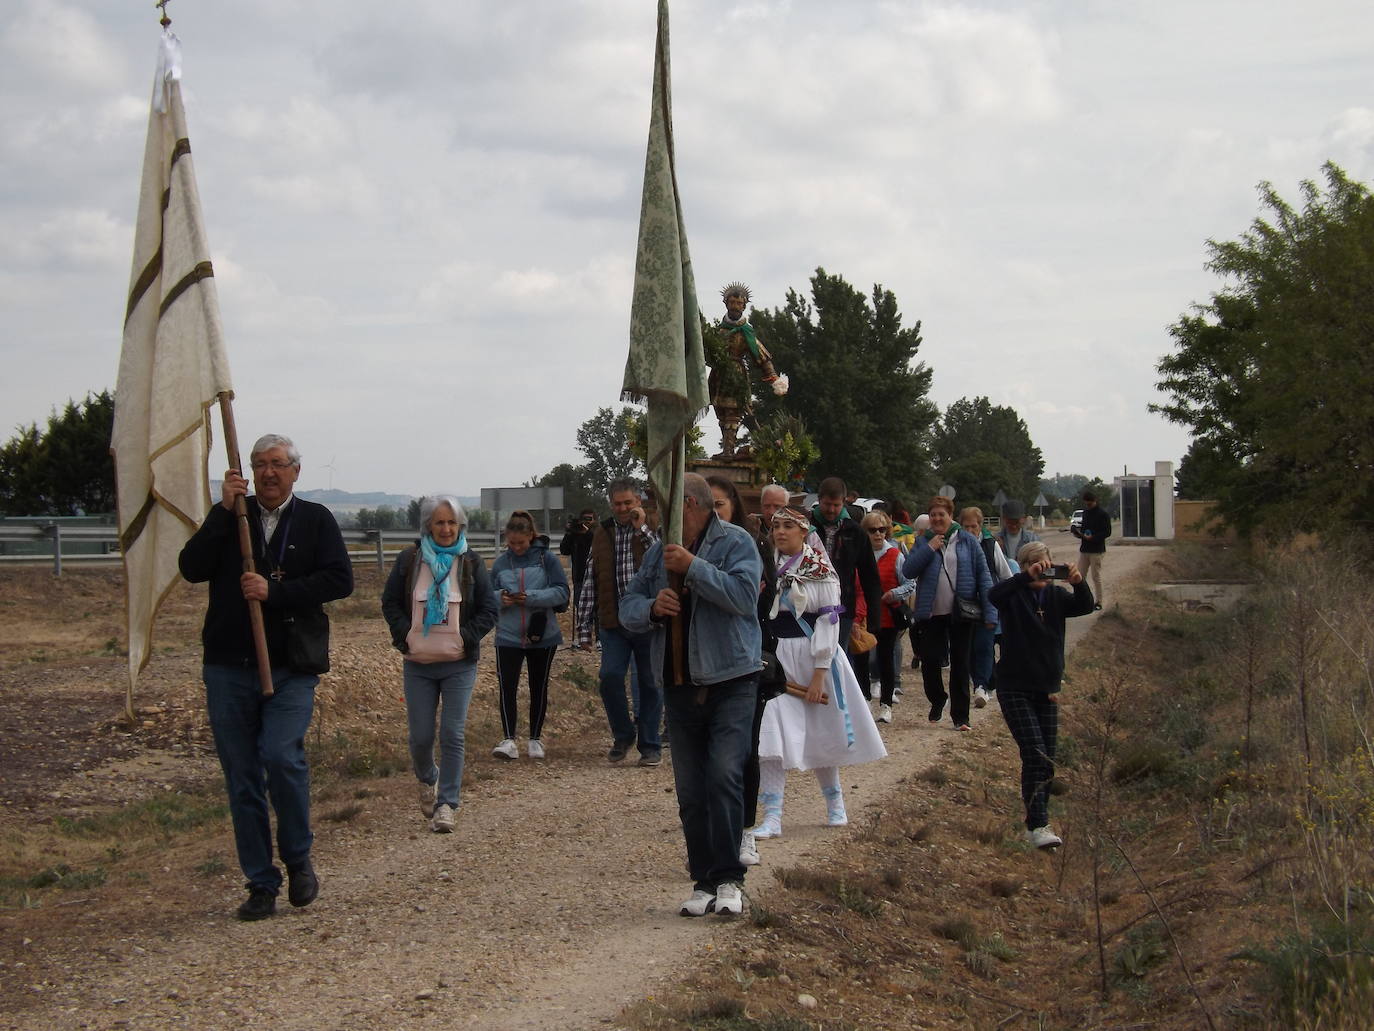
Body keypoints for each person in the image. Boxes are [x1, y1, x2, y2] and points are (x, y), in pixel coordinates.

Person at [178, 433, 353, 921]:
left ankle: (298, 858)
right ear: (249, 473)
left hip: (291, 665)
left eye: (278, 464)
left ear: (296, 471)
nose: (269, 472)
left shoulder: (316, 519)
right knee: (242, 778)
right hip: (228, 666)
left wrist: (275, 593)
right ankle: (260, 882)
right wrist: (220, 511)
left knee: (281, 756)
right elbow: (191, 568)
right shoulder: (233, 519)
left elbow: (340, 579)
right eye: (260, 464)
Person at [619, 473, 763, 917]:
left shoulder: (736, 542)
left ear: (692, 506)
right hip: (677, 684)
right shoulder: (659, 550)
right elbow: (628, 605)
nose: (659, 515)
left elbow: (743, 596)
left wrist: (693, 569)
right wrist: (650, 608)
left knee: (723, 775)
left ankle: (730, 879)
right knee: (691, 790)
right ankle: (703, 881)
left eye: (666, 505)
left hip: (731, 679)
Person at [754, 507, 887, 840]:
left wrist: (818, 674)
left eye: (788, 526)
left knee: (821, 732)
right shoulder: (765, 564)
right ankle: (772, 815)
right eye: (776, 527)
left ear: (803, 531)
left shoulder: (820, 568)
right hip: (778, 659)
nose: (780, 532)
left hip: (814, 655)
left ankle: (835, 803)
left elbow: (829, 621)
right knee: (770, 734)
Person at [381, 496, 498, 834]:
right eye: (439, 523)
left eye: (452, 523)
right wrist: (406, 634)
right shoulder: (410, 560)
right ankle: (427, 778)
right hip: (417, 663)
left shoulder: (471, 563)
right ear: (428, 526)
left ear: (460, 526)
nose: (446, 529)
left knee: (452, 733)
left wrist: (466, 637)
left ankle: (446, 803)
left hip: (458, 663)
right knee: (420, 738)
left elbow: (489, 609)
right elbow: (389, 602)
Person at [990, 540, 1094, 848]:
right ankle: (1038, 826)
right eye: (1033, 565)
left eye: (1045, 564)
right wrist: (1024, 577)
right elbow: (993, 595)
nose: (1040, 570)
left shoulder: (1056, 596)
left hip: (1047, 689)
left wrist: (1079, 582)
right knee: (1034, 752)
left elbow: (1085, 606)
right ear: (1022, 567)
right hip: (1014, 687)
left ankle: (1037, 822)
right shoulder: (1013, 594)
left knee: (1046, 759)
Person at [707, 475, 777, 869]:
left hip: (750, 657)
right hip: (702, 662)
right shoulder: (687, 545)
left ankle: (746, 830)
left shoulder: (752, 546)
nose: (714, 512)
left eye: (720, 504)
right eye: (708, 504)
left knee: (744, 750)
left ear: (732, 505)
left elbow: (764, 599)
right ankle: (714, 838)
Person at [575, 479, 662, 765]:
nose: (623, 508)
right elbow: (591, 578)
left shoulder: (653, 528)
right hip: (614, 623)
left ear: (638, 502)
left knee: (650, 682)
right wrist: (584, 625)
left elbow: (661, 557)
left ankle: (649, 745)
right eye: (618, 504)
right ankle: (623, 734)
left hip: (648, 620)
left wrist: (643, 529)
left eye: (628, 503)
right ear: (610, 504)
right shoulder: (603, 533)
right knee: (610, 677)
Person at [901, 496, 996, 732]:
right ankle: (937, 699)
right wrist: (929, 548)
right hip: (931, 612)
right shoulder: (923, 541)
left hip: (961, 612)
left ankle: (961, 716)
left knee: (961, 664)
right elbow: (908, 570)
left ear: (950, 515)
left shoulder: (967, 540)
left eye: (941, 514)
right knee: (930, 660)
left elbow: (983, 576)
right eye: (933, 515)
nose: (937, 519)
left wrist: (990, 612)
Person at [490, 510, 569, 760]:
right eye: (511, 543)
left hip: (542, 634)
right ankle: (508, 740)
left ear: (531, 537)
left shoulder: (548, 559)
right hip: (508, 635)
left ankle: (535, 739)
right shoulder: (500, 563)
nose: (516, 548)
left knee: (539, 686)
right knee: (507, 686)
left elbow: (562, 593)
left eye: (521, 543)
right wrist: (499, 598)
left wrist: (532, 597)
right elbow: (486, 597)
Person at [710, 282, 787, 460]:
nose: (735, 306)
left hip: (736, 376)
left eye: (739, 303)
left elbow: (760, 355)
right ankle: (726, 449)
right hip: (717, 376)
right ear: (726, 303)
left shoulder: (746, 332)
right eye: (732, 302)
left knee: (732, 412)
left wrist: (773, 377)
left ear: (744, 305)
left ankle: (729, 451)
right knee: (720, 411)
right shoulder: (718, 331)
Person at [809, 477, 882, 664]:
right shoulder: (806, 527)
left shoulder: (855, 532)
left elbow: (869, 575)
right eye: (827, 504)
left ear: (844, 502)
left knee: (836, 658)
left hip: (842, 608)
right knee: (810, 656)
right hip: (809, 605)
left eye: (836, 505)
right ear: (819, 500)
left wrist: (874, 616)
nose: (831, 510)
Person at [852, 510, 915, 724]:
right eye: (872, 530)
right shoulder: (858, 555)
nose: (878, 534)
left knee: (885, 659)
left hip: (887, 616)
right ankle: (865, 700)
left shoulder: (896, 555)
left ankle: (886, 703)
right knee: (861, 659)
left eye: (882, 529)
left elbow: (909, 583)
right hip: (862, 617)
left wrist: (894, 594)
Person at [959, 507, 1014, 711]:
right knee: (969, 648)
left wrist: (1000, 599)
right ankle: (981, 682)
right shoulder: (956, 544)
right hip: (963, 605)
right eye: (967, 526)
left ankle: (981, 686)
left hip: (987, 603)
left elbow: (1006, 575)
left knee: (984, 645)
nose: (971, 530)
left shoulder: (991, 546)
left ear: (980, 526)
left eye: (974, 526)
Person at [559, 507, 597, 643]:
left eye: (590, 519)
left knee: (597, 607)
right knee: (580, 604)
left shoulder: (596, 533)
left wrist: (587, 533)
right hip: (580, 576)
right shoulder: (575, 535)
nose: (587, 522)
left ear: (594, 520)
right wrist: (569, 533)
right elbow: (564, 550)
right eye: (584, 519)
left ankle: (598, 637)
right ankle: (582, 634)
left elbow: (597, 544)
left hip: (596, 575)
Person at [1072, 490, 1111, 610]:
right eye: (1086, 504)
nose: (1088, 506)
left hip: (1097, 550)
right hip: (1085, 549)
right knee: (1079, 576)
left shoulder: (1103, 514)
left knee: (1096, 576)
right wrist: (1078, 534)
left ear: (1095, 501)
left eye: (1090, 504)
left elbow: (1107, 532)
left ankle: (1099, 602)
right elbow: (1084, 529)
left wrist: (1093, 538)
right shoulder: (1086, 513)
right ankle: (1080, 600)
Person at [994, 499, 1039, 564]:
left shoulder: (1033, 539)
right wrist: (996, 549)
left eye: (1017, 522)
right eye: (1010, 523)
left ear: (1023, 519)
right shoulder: (995, 539)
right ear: (1004, 519)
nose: (1013, 526)